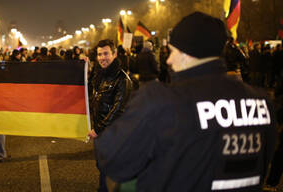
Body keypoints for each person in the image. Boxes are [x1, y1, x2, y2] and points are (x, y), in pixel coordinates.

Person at [95, 12, 277, 192]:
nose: (169, 59)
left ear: (187, 53)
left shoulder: (159, 100)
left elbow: (111, 158)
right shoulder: (262, 101)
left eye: (173, 51)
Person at [88, 39, 132, 192]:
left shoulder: (122, 79)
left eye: (106, 53)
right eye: (99, 54)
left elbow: (117, 109)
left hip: (112, 133)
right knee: (102, 165)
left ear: (114, 54)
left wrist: (98, 129)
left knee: (107, 167)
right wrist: (84, 68)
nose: (102, 58)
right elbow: (90, 95)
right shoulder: (100, 75)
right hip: (101, 131)